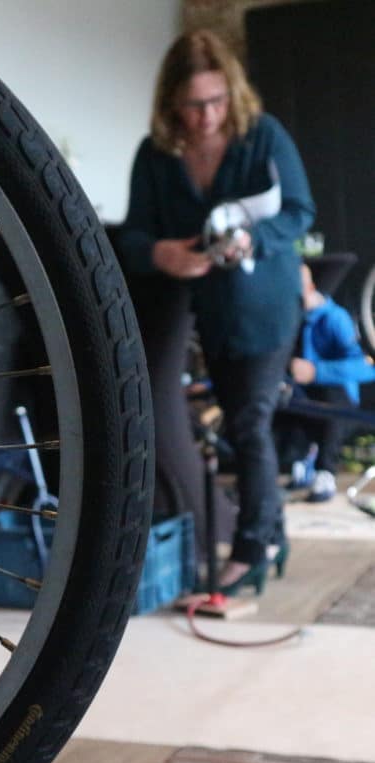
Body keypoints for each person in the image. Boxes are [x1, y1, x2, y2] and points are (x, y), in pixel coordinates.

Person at [116, 28, 315, 595]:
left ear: (232, 92)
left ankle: (252, 548)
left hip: (266, 302)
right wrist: (162, 254)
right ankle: (273, 535)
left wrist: (255, 238)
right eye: (193, 104)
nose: (206, 116)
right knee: (240, 420)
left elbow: (300, 211)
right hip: (206, 310)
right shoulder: (156, 154)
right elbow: (133, 236)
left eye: (216, 101)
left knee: (249, 422)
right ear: (171, 103)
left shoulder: (263, 135)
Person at [284, 262, 375, 501]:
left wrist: (317, 371)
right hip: (303, 399)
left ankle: (326, 472)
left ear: (310, 287)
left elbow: (367, 368)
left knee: (330, 400)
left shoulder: (336, 319)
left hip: (339, 403)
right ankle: (301, 462)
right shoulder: (291, 320)